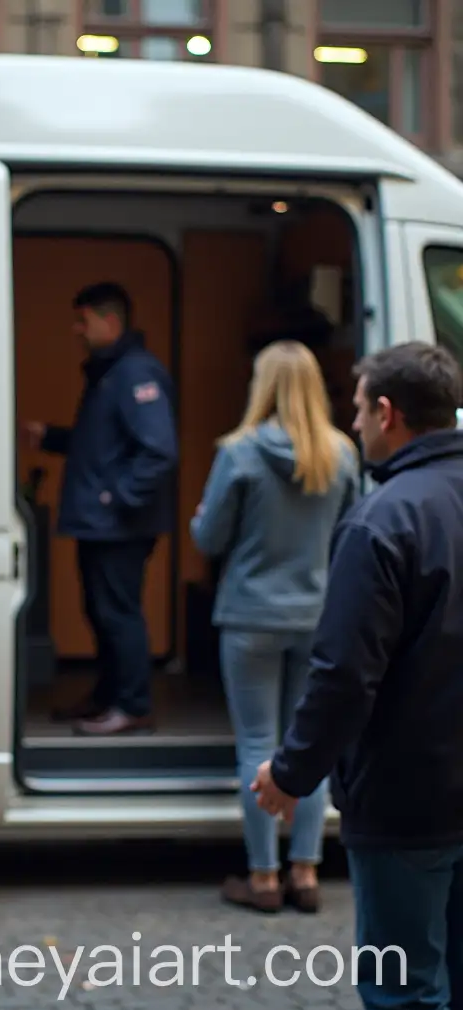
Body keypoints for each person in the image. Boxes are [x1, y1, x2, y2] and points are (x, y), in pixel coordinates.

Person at [251, 341, 463, 1010]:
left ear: (387, 412)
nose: (354, 425)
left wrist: (290, 774)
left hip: (410, 800)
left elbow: (344, 675)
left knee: (405, 995)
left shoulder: (383, 522)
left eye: (359, 409)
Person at [190, 340, 358, 914]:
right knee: (305, 747)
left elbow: (209, 539)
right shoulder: (342, 455)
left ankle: (263, 879)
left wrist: (198, 521)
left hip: (249, 616)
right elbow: (354, 536)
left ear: (262, 386)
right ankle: (306, 872)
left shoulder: (238, 454)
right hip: (318, 615)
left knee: (256, 745)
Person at [22, 281, 177, 736]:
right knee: (101, 612)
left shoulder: (135, 374)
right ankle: (107, 698)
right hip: (102, 524)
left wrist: (116, 498)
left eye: (83, 320)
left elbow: (158, 452)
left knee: (118, 613)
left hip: (119, 526)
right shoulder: (109, 372)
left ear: (110, 322)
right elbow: (101, 445)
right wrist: (51, 438)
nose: (76, 330)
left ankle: (132, 706)